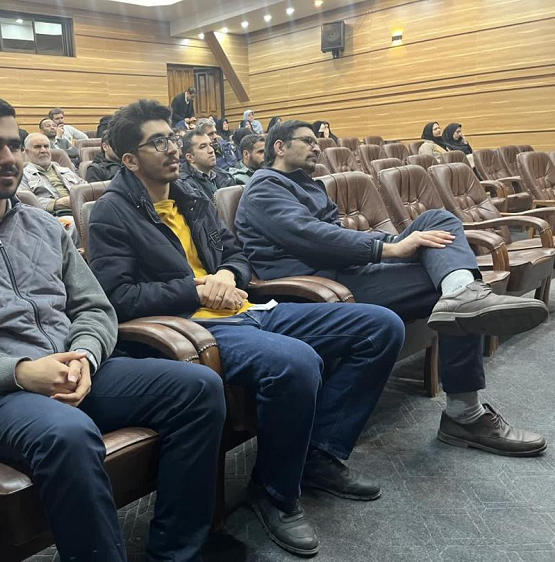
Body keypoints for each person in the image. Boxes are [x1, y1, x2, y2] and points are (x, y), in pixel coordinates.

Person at [0, 94, 225, 562]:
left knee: (199, 387)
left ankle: (176, 551)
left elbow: (95, 308)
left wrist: (86, 354)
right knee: (69, 434)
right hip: (2, 395)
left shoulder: (45, 227)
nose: (9, 158)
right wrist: (21, 372)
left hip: (79, 368)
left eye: (14, 145)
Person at [88, 99, 406, 558]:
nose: (173, 148)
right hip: (191, 327)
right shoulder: (111, 212)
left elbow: (236, 254)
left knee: (380, 326)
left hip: (247, 307)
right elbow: (119, 297)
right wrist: (195, 289)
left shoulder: (192, 196)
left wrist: (226, 274)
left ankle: (318, 456)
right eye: (158, 142)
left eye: (172, 137)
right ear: (130, 159)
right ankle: (275, 493)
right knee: (296, 363)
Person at [235, 119, 549, 459]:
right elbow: (312, 237)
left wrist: (396, 243)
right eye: (307, 141)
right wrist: (389, 248)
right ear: (280, 147)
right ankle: (465, 414)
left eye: (316, 142)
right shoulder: (264, 186)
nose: (316, 147)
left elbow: (340, 236)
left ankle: (462, 292)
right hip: (319, 285)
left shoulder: (309, 185)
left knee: (438, 222)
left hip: (348, 269)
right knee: (449, 288)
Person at [20, 131, 86, 239]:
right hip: (53, 217)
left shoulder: (65, 170)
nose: (43, 150)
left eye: (46, 146)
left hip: (80, 210)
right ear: (27, 152)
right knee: (75, 224)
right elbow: (24, 203)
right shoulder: (23, 175)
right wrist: (56, 203)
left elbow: (85, 189)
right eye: (37, 147)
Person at [179, 128, 236, 201]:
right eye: (203, 147)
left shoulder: (225, 176)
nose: (211, 150)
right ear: (190, 157)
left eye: (210, 145)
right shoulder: (185, 185)